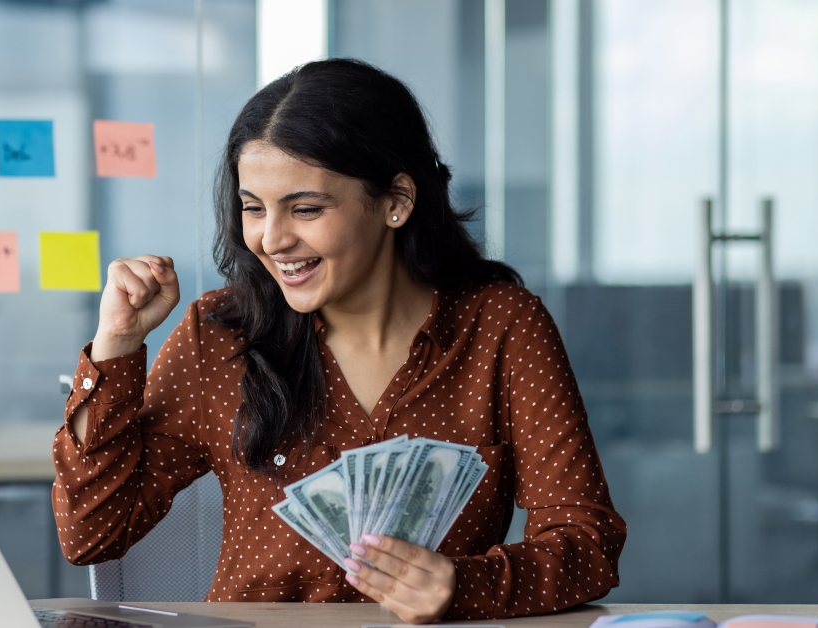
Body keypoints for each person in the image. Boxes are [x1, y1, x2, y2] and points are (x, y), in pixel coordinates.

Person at [53, 58, 626, 623]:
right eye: (253, 208)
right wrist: (116, 345)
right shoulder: (220, 334)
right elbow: (91, 534)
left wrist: (464, 585)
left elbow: (588, 542)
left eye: (305, 209)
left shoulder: (501, 326)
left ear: (397, 202)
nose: (272, 239)